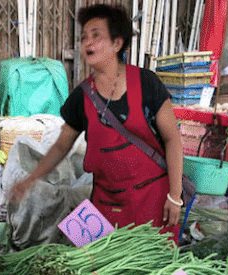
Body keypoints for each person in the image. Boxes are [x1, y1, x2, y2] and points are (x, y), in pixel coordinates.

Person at [11, 4, 184, 231]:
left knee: (155, 265)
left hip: (152, 200)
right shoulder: (81, 97)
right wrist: (30, 179)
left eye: (96, 36)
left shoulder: (146, 83)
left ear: (117, 43)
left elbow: (173, 139)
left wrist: (175, 195)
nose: (88, 43)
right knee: (95, 265)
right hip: (105, 206)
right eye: (84, 38)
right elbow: (61, 146)